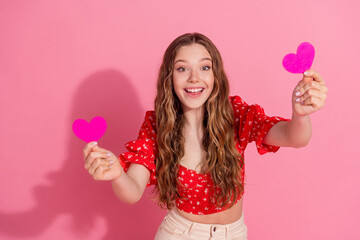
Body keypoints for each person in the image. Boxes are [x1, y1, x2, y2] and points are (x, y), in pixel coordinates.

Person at [83, 32, 327, 240]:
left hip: (234, 233)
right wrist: (116, 174)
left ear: (215, 75)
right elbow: (132, 190)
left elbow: (294, 138)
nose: (194, 78)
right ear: (169, 78)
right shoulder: (156, 127)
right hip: (180, 233)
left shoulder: (236, 116)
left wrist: (300, 114)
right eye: (182, 68)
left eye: (204, 67)